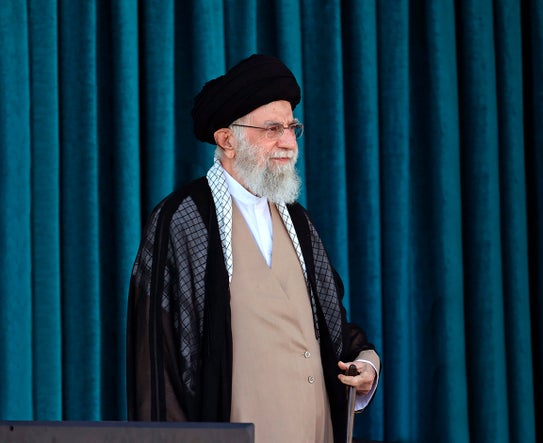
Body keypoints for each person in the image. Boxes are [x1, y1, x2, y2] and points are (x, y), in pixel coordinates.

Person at [126, 54, 380, 443]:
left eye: (293, 128)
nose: (289, 143)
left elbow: (330, 327)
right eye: (273, 129)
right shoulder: (183, 219)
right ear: (227, 140)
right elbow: (158, 364)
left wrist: (366, 366)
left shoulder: (298, 222)